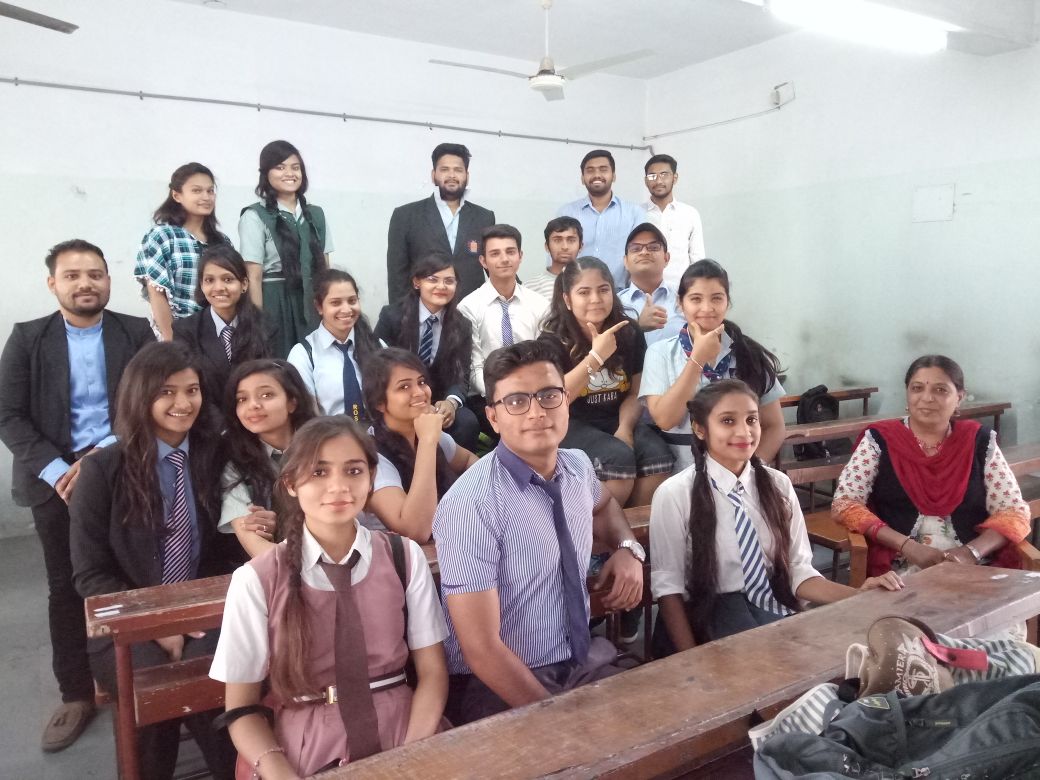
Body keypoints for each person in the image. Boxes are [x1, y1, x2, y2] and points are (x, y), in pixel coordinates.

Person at [210, 416, 448, 778]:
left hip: (406, 732)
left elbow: (432, 674)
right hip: (305, 747)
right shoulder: (256, 579)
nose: (338, 486)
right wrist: (282, 773)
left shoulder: (404, 557)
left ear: (371, 478)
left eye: (354, 471)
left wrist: (409, 757)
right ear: (291, 483)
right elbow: (241, 710)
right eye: (319, 473)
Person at [433, 340, 645, 726]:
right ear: (493, 418)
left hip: (581, 661)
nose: (537, 412)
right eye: (516, 401)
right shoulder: (472, 504)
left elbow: (605, 507)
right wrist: (554, 719)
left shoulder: (576, 467)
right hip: (501, 681)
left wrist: (627, 548)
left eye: (549, 395)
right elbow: (481, 650)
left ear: (566, 400)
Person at [0, 239, 153, 753]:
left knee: (130, 574)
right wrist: (58, 470)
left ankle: (133, 673)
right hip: (54, 483)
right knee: (65, 585)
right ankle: (75, 692)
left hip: (124, 469)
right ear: (53, 284)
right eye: (72, 275)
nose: (85, 283)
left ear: (108, 280)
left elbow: (146, 401)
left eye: (95, 274)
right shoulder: (28, 338)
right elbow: (8, 415)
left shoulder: (134, 332)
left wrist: (100, 457)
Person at [69, 341, 236, 779]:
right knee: (152, 701)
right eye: (167, 392)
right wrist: (157, 624)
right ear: (140, 395)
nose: (183, 403)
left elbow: (227, 554)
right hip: (127, 621)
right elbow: (90, 574)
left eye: (192, 390)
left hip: (205, 611)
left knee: (217, 689)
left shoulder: (216, 458)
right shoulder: (102, 470)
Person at [650, 380, 902, 656]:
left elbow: (798, 570)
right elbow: (669, 589)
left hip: (771, 606)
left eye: (751, 420)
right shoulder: (675, 494)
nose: (744, 431)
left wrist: (859, 598)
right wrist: (689, 660)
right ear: (700, 429)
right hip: (706, 619)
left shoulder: (777, 485)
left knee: (851, 653)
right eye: (727, 421)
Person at [832, 355, 1031, 577]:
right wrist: (907, 546)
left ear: (959, 398)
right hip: (898, 567)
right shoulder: (879, 440)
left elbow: (1013, 510)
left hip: (972, 566)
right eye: (917, 388)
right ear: (907, 393)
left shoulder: (979, 441)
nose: (927, 398)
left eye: (940, 390)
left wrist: (971, 552)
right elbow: (846, 503)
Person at [539, 256, 673, 508]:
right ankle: (598, 530)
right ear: (567, 299)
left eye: (603, 290)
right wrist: (596, 356)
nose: (596, 299)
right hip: (570, 423)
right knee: (617, 459)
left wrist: (625, 428)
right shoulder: (552, 340)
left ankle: (634, 527)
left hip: (617, 417)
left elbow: (635, 392)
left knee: (658, 456)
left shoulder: (628, 331)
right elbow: (555, 400)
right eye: (584, 292)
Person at [641, 260, 786, 471]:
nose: (707, 308)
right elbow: (665, 419)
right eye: (696, 299)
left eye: (717, 298)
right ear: (680, 303)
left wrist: (749, 473)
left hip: (739, 475)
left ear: (728, 302)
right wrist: (697, 360)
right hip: (681, 476)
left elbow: (775, 426)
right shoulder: (660, 352)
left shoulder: (750, 354)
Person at [363, 348, 477, 542]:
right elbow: (416, 530)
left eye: (422, 382)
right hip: (396, 555)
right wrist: (427, 442)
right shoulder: (371, 454)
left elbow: (468, 461)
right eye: (404, 387)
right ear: (379, 403)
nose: (419, 392)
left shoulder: (427, 432)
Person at [373, 252, 480, 452]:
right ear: (417, 282)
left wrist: (451, 403)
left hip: (439, 400)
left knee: (467, 422)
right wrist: (417, 401)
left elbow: (461, 375)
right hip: (400, 397)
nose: (441, 286)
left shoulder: (462, 325)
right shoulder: (392, 316)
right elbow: (377, 367)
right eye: (433, 279)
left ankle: (453, 471)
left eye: (449, 281)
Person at [238, 140, 332, 358]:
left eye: (295, 167)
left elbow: (326, 269)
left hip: (312, 301)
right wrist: (258, 323)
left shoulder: (316, 214)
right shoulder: (254, 216)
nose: (289, 173)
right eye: (280, 167)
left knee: (317, 362)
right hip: (275, 301)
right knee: (280, 363)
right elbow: (253, 277)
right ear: (266, 174)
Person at [219, 359, 317, 559]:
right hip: (276, 567)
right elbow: (253, 542)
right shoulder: (231, 459)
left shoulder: (323, 446)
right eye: (242, 399)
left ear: (292, 402)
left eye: (266, 395)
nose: (253, 405)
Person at [457, 225, 549, 422]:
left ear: (520, 256)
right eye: (495, 254)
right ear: (483, 261)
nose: (504, 259)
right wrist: (504, 395)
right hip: (487, 395)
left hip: (533, 391)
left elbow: (544, 358)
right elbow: (474, 366)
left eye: (510, 252)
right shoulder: (468, 307)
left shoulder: (540, 304)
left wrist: (527, 394)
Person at [387, 142, 496, 305]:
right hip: (423, 310)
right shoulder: (405, 216)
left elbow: (494, 264)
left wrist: (521, 293)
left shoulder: (484, 217)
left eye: (458, 170)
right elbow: (397, 275)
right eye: (444, 169)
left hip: (471, 310)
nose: (452, 175)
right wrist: (400, 314)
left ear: (467, 175)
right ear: (433, 175)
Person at [135, 162, 231, 341]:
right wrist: (172, 342)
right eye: (197, 191)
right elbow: (157, 294)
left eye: (210, 191)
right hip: (178, 333)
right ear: (177, 195)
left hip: (217, 335)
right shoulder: (163, 236)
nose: (206, 197)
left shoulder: (222, 242)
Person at [173, 244, 270, 418]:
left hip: (255, 417)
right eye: (209, 280)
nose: (218, 287)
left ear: (244, 284)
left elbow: (270, 382)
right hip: (208, 423)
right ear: (201, 285)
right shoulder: (186, 330)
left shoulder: (266, 326)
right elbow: (190, 388)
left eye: (228, 279)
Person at [287, 269, 384, 421]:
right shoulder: (304, 354)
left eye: (352, 301)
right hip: (329, 433)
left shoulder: (377, 345)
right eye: (336, 303)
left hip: (379, 431)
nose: (346, 309)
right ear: (319, 307)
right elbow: (306, 412)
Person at [557, 149, 641, 288]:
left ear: (614, 176)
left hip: (620, 294)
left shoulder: (634, 213)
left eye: (603, 169)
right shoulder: (567, 212)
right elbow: (555, 257)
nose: (597, 175)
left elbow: (640, 257)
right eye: (590, 170)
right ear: (582, 178)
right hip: (576, 293)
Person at [641, 154, 706, 290]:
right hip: (645, 292)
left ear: (675, 178)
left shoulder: (690, 214)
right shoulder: (636, 214)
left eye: (664, 175)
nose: (658, 180)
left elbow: (697, 259)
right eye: (652, 176)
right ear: (646, 181)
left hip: (680, 292)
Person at [617, 222, 685, 346]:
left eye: (653, 247)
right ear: (625, 262)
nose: (644, 252)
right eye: (636, 249)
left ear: (666, 258)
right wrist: (637, 326)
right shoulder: (615, 304)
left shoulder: (683, 298)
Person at [522, 216, 583, 301]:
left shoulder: (592, 283)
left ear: (581, 246)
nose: (565, 247)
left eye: (571, 240)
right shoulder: (529, 288)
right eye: (557, 240)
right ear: (547, 246)